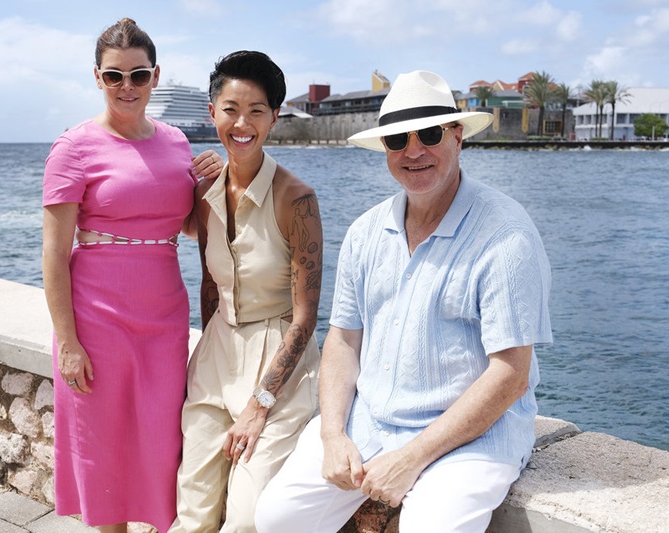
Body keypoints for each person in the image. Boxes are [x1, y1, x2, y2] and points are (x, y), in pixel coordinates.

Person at [255, 70, 552, 532]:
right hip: (368, 422)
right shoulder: (366, 231)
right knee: (276, 519)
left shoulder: (505, 236)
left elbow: (510, 375)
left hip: (473, 438)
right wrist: (333, 434)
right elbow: (343, 339)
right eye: (398, 138)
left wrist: (412, 457)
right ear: (386, 149)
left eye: (430, 133)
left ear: (457, 137)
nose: (413, 151)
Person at [42, 18, 222, 533]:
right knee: (108, 450)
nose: (127, 87)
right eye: (115, 75)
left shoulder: (176, 142)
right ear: (97, 78)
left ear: (155, 77)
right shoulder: (72, 148)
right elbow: (54, 256)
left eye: (138, 75)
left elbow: (184, 226)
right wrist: (68, 342)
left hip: (164, 315)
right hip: (95, 319)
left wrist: (208, 184)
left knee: (163, 444)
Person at [168, 51, 323, 533]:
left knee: (247, 518)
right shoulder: (203, 190)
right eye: (231, 108)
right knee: (192, 510)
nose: (242, 122)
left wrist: (260, 405)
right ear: (212, 113)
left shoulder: (295, 199)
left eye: (257, 110)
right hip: (217, 354)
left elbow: (305, 318)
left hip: (279, 365)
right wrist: (205, 356)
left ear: (274, 118)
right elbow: (210, 285)